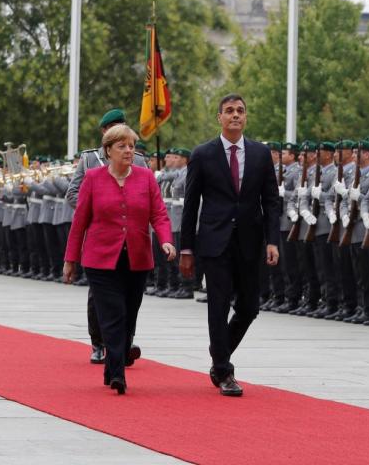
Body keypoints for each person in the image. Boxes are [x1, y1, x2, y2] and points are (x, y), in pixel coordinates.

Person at [180, 94, 281, 397]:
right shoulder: (203, 154)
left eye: (240, 111)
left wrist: (273, 240)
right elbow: (190, 204)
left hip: (250, 241)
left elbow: (271, 201)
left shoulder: (261, 154)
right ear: (219, 118)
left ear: (245, 117)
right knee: (218, 304)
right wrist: (186, 248)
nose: (235, 115)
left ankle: (217, 351)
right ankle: (224, 370)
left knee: (249, 307)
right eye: (229, 111)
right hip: (215, 242)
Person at [63, 124, 175, 395]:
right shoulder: (93, 178)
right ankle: (117, 374)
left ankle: (114, 361)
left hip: (136, 258)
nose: (129, 151)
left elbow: (158, 214)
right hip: (100, 259)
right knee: (113, 314)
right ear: (108, 150)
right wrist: (71, 259)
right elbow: (80, 222)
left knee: (129, 314)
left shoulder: (146, 177)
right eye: (122, 146)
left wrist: (166, 240)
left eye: (132, 146)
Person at [67, 108, 149, 364]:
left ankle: (125, 341)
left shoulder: (140, 160)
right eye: (114, 128)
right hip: (102, 238)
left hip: (132, 239)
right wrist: (97, 218)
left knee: (130, 293)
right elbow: (73, 194)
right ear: (105, 134)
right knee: (98, 294)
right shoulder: (90, 160)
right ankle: (98, 342)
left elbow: (149, 196)